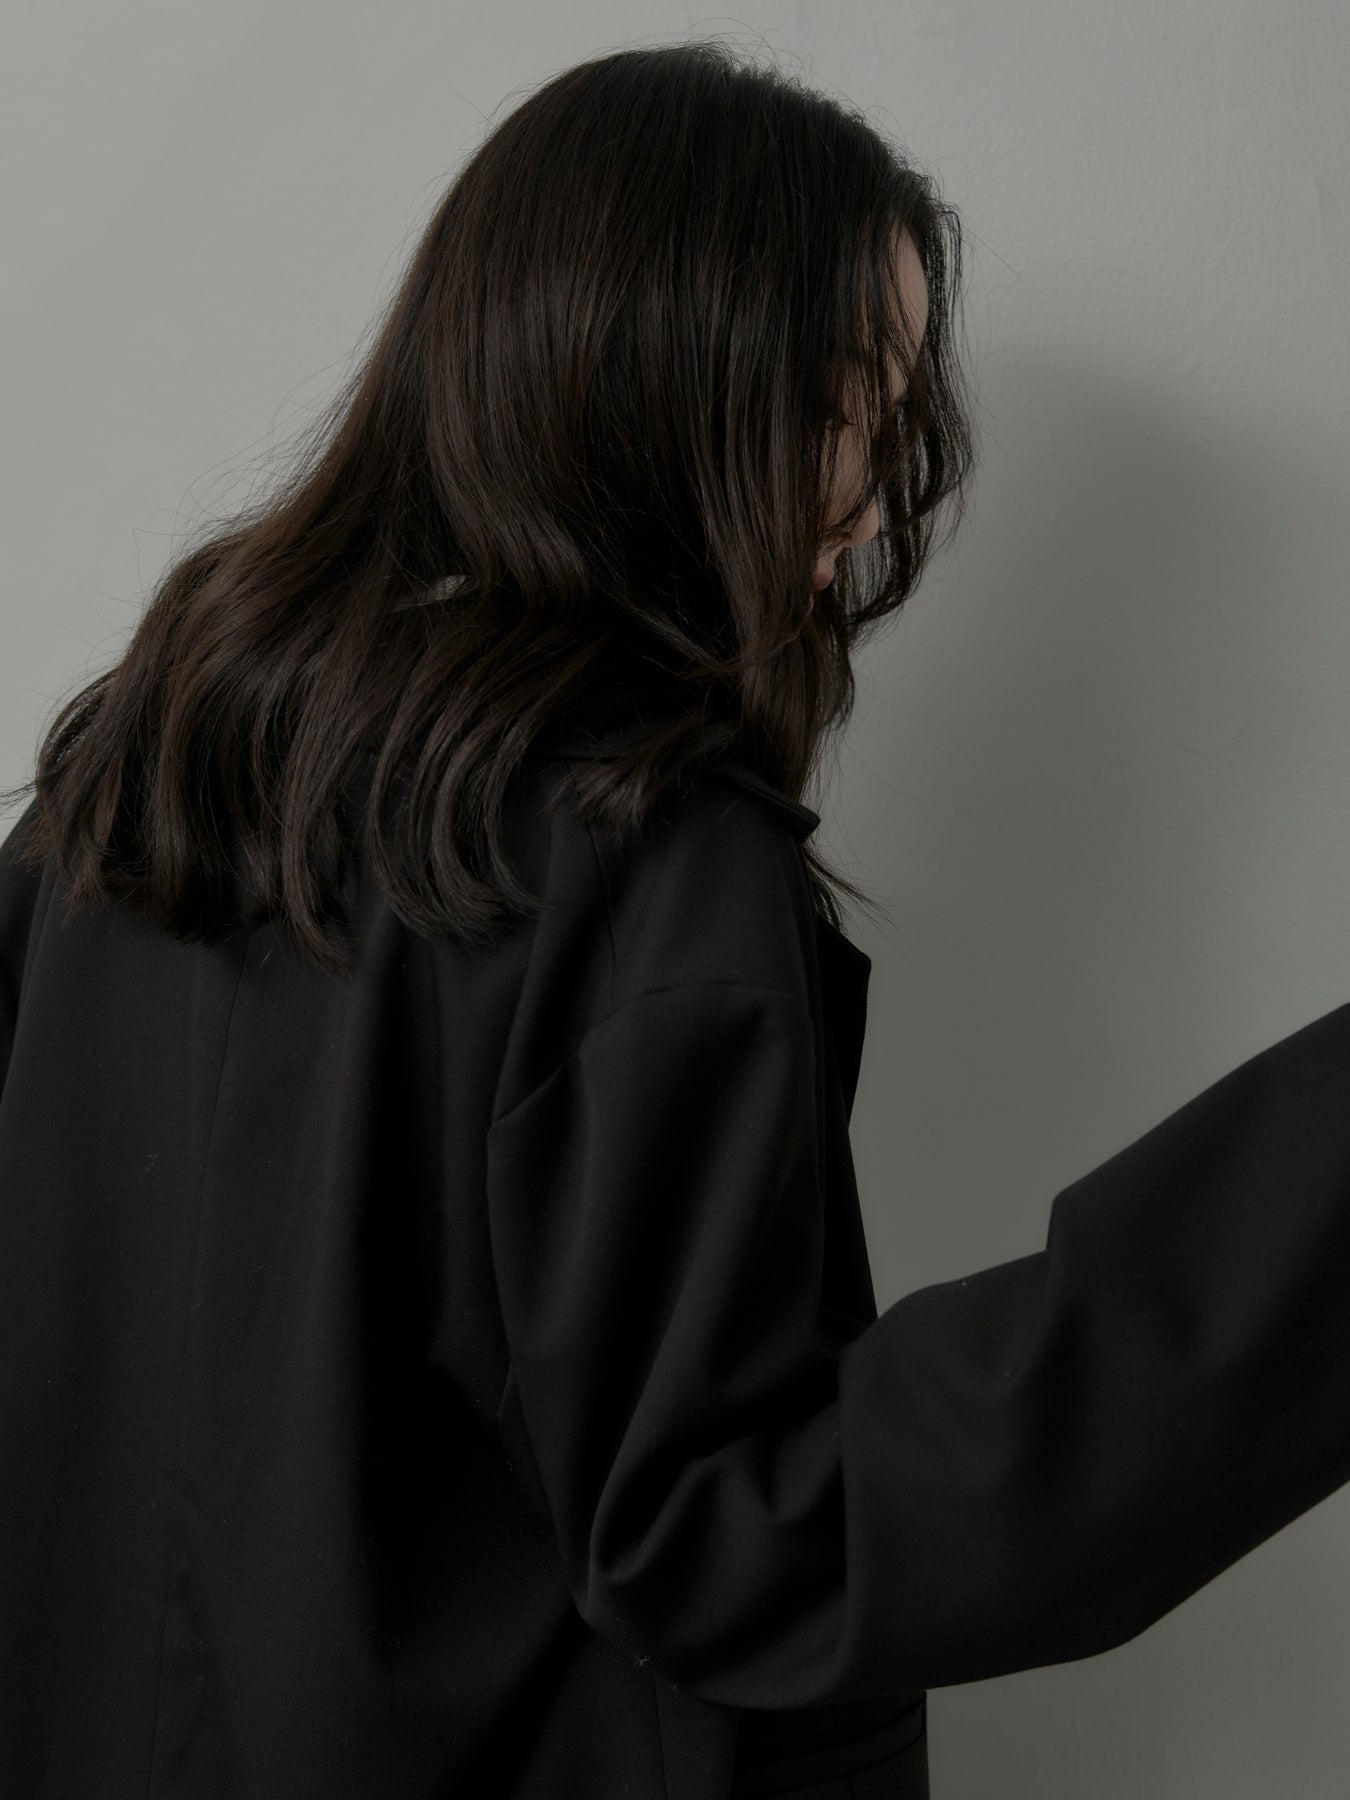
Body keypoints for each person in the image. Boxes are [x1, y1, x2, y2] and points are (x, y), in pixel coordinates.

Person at [1, 37, 1348, 1800]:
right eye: (838, 398)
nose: (867, 489)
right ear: (657, 377)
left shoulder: (133, 773)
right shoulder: (632, 845)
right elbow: (737, 1540)